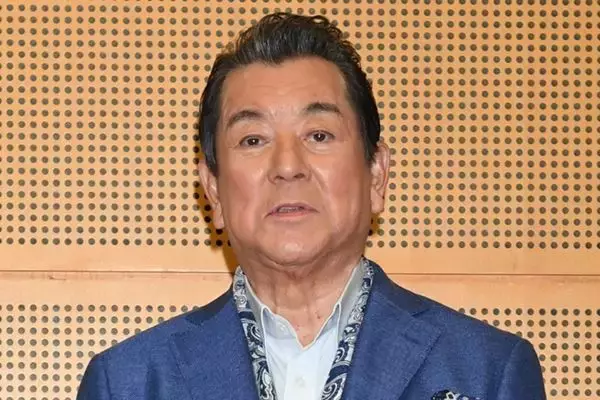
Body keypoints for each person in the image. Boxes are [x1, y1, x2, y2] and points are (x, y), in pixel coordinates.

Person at [77, 12, 546, 400]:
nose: (287, 166)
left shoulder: (487, 372)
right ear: (213, 190)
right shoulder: (128, 383)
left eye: (319, 135)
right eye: (253, 139)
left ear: (376, 174)